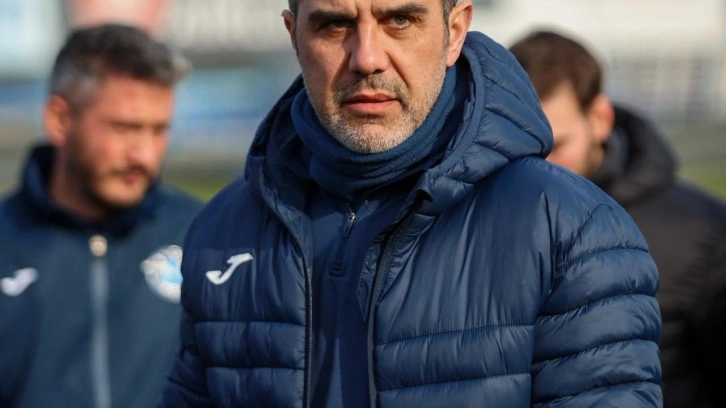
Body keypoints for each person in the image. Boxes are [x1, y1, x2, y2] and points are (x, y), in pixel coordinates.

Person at [160, 1, 663, 406]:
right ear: (294, 37)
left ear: (455, 31)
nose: (367, 58)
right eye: (334, 25)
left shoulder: (570, 228)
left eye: (400, 20)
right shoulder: (223, 228)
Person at [509, 30, 726, 407]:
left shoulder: (703, 231)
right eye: (524, 147)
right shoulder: (475, 223)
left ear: (600, 118)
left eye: (556, 146)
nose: (538, 167)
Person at [0, 24, 202, 407]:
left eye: (159, 130)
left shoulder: (204, 237)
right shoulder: (6, 246)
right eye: (125, 128)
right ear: (60, 120)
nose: (144, 155)